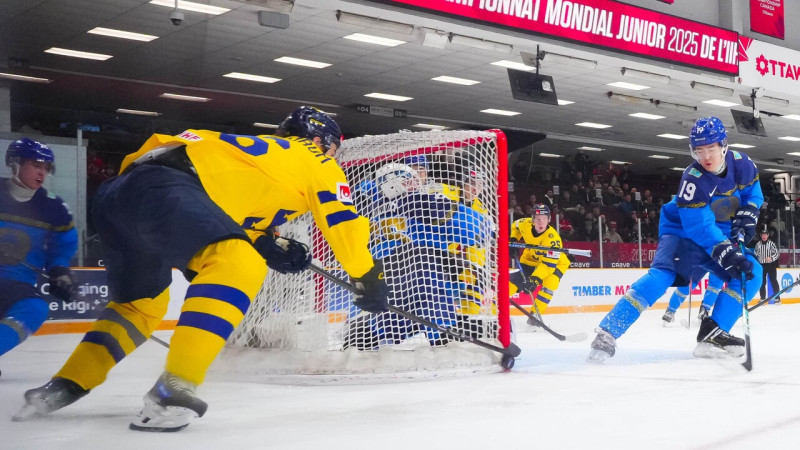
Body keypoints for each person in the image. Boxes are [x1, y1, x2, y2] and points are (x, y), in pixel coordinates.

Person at [15, 106, 390, 431]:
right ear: (323, 142)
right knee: (237, 263)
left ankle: (65, 385)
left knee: (140, 306)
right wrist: (367, 276)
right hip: (168, 189)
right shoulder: (315, 158)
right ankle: (174, 388)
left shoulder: (255, 154)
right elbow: (343, 221)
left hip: (120, 195)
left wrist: (269, 244)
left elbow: (226, 206)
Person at [587, 117, 763, 363]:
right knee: (662, 276)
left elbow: (753, 193)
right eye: (699, 150)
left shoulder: (742, 164)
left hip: (718, 232)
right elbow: (698, 226)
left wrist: (750, 212)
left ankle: (712, 334)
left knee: (751, 272)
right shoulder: (693, 178)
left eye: (710, 148)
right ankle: (608, 332)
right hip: (682, 231)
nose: (705, 157)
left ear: (723, 145)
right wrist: (725, 251)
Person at [344, 162, 491, 348]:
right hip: (415, 272)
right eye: (410, 178)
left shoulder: (369, 206)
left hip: (382, 274)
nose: (416, 182)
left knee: (393, 318)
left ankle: (368, 333)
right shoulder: (420, 200)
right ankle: (443, 336)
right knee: (428, 281)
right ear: (392, 182)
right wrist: (483, 231)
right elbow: (475, 230)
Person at [0, 139, 77, 361]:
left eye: (46, 168)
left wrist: (59, 272)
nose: (42, 173)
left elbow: (61, 247)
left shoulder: (54, 207)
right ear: (15, 163)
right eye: (36, 165)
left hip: (17, 285)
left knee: (35, 308)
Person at [508, 204, 570, 326]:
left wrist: (534, 280)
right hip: (531, 258)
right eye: (538, 219)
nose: (541, 222)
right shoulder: (524, 223)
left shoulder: (553, 240)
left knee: (550, 282)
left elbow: (548, 266)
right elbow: (515, 225)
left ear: (549, 220)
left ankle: (535, 315)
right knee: (515, 281)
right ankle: (497, 309)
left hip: (555, 263)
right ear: (532, 219)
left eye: (544, 219)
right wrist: (514, 239)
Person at [754, 227, 780, 304]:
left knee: (773, 281)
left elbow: (777, 253)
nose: (764, 236)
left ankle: (777, 298)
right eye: (763, 235)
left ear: (768, 235)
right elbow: (755, 254)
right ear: (761, 236)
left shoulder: (771, 244)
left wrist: (771, 258)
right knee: (762, 282)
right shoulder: (758, 244)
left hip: (771, 265)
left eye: (765, 235)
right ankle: (762, 299)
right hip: (761, 265)